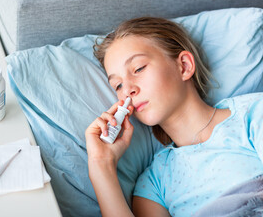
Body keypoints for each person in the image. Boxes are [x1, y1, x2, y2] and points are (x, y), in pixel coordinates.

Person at [85, 17, 263, 216]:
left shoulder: (254, 114)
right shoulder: (153, 184)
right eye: (118, 85)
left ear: (184, 66)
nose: (127, 91)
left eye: (138, 69)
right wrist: (100, 164)